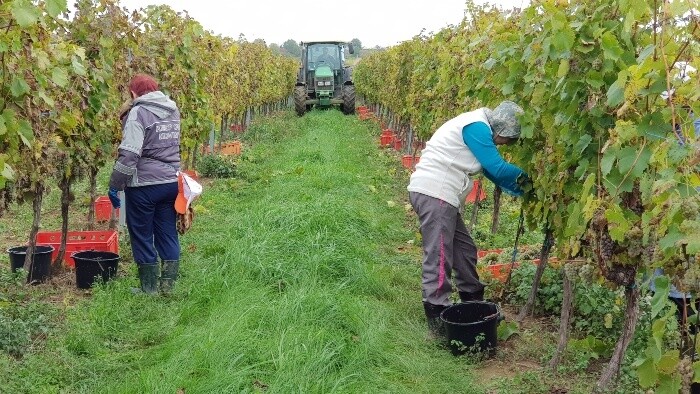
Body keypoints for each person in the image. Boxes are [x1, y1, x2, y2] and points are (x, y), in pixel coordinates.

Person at [407, 100, 529, 337]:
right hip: (435, 193)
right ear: (503, 129)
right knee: (440, 253)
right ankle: (437, 314)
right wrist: (532, 181)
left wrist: (519, 190)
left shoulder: (478, 126)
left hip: (441, 196)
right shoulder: (477, 127)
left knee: (464, 250)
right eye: (508, 139)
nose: (504, 144)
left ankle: (472, 300)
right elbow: (499, 168)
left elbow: (493, 172)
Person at [108, 74, 182, 295]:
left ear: (133, 94)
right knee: (167, 231)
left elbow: (130, 154)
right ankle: (168, 286)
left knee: (141, 234)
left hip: (144, 186)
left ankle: (148, 289)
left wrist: (115, 184)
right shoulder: (173, 110)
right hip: (171, 182)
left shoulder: (138, 113)